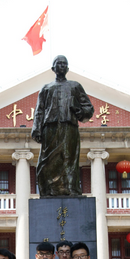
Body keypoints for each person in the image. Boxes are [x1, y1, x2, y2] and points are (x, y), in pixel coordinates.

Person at [31, 55, 94, 196]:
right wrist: (36, 129)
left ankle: (70, 188)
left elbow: (88, 108)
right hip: (50, 128)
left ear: (68, 68)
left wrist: (79, 110)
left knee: (68, 157)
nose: (62, 66)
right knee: (48, 160)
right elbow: (39, 110)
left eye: (64, 64)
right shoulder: (46, 88)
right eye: (59, 63)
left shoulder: (75, 86)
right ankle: (49, 189)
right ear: (53, 68)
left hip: (69, 127)